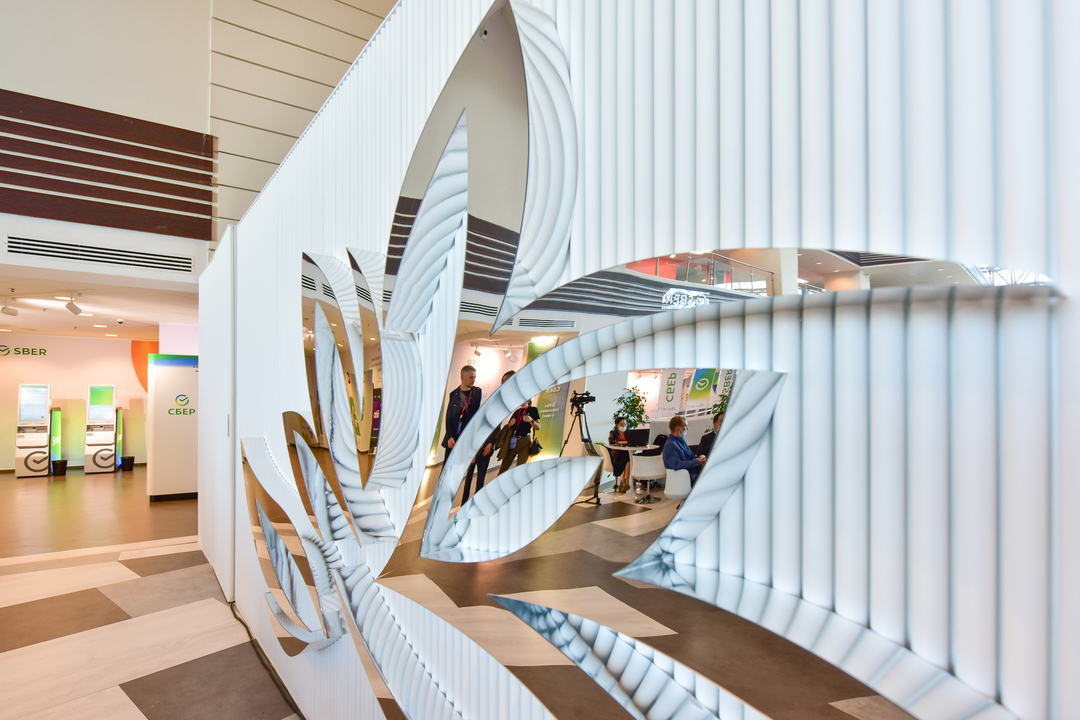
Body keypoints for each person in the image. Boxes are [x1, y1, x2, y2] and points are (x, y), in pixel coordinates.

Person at [462, 370, 515, 503]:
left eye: (507, 380)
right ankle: (463, 505)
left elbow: (496, 426)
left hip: (487, 446)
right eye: (503, 380)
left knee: (480, 479)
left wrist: (491, 443)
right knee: (468, 479)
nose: (504, 383)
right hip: (476, 443)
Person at [441, 365, 482, 457]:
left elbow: (475, 416)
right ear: (462, 377)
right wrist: (449, 436)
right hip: (453, 437)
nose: (473, 380)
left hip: (466, 437)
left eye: (474, 377)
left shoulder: (477, 392)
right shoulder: (454, 394)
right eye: (471, 377)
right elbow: (449, 417)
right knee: (448, 462)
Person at [497, 397, 541, 474]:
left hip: (525, 441)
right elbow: (509, 427)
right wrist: (510, 425)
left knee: (521, 468)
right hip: (513, 441)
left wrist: (531, 420)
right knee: (504, 466)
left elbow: (538, 427)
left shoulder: (533, 410)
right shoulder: (516, 412)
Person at [662, 415, 706, 486]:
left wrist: (700, 459)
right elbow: (676, 465)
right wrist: (697, 462)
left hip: (691, 473)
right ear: (678, 428)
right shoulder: (670, 445)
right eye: (685, 426)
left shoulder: (681, 440)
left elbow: (690, 458)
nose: (687, 428)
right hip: (685, 477)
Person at [607, 416, 632, 493]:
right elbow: (612, 441)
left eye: (625, 424)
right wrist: (621, 442)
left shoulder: (628, 433)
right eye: (621, 424)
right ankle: (625, 482)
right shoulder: (613, 433)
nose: (623, 426)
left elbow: (632, 441)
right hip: (617, 456)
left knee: (629, 459)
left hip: (626, 454)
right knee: (628, 459)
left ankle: (624, 481)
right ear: (617, 424)